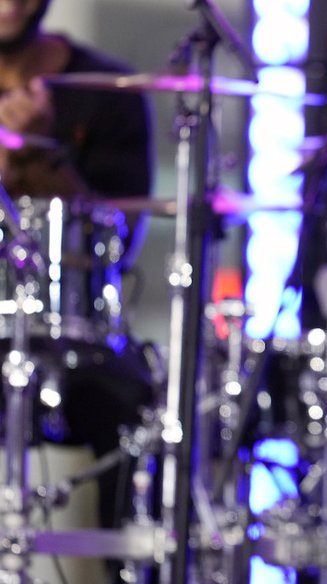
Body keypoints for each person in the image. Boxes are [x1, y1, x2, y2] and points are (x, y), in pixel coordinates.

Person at [0, 0, 154, 545]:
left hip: (73, 339)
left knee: (136, 415)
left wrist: (39, 153)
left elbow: (118, 244)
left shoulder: (107, 91)